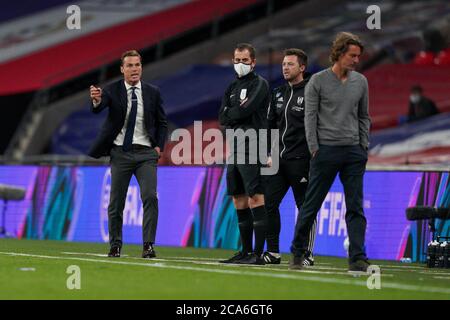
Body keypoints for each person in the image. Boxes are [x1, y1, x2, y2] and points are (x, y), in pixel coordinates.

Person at [289, 32, 371, 273]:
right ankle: (298, 249)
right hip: (325, 153)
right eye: (352, 55)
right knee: (311, 205)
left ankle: (357, 257)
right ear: (338, 54)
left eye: (358, 56)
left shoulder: (361, 82)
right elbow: (309, 117)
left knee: (355, 207)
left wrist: (363, 145)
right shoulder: (317, 81)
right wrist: (314, 148)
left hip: (354, 153)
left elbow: (364, 116)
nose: (356, 60)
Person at [89, 50, 168, 258]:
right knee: (116, 202)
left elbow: (162, 122)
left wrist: (159, 147)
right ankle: (115, 244)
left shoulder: (153, 92)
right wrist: (96, 100)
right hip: (121, 154)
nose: (134, 69)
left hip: (146, 154)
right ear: (122, 69)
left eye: (137, 65)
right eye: (130, 66)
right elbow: (99, 107)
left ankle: (148, 245)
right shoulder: (112, 90)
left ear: (141, 67)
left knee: (150, 196)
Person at [218, 43, 270, 265]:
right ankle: (245, 251)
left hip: (254, 145)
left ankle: (258, 253)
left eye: (245, 61)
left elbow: (246, 110)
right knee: (238, 198)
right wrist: (233, 112)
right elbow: (222, 116)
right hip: (235, 148)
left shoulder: (260, 84)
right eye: (237, 60)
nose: (240, 64)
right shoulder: (231, 87)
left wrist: (233, 112)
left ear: (253, 62)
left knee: (255, 196)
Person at [264, 48, 316, 265]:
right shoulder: (278, 93)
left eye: (290, 64)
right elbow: (269, 127)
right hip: (277, 160)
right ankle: (273, 251)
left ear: (302, 67)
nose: (285, 67)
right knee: (268, 204)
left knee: (304, 207)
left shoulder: (312, 93)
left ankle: (306, 253)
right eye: (283, 64)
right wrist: (268, 153)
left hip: (301, 160)